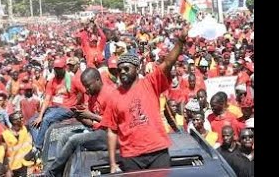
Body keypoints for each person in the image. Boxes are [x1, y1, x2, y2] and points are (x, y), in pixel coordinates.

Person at [102, 27, 188, 173]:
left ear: (136, 68)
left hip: (157, 151)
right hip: (131, 156)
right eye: (120, 69)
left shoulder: (150, 83)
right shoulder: (114, 96)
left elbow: (167, 63)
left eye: (126, 69)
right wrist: (112, 163)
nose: (122, 72)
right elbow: (112, 131)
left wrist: (180, 41)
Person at [44, 68, 113, 177]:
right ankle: (60, 173)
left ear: (98, 80)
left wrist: (91, 115)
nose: (86, 90)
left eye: (88, 86)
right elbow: (91, 123)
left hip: (110, 135)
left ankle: (51, 172)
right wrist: (80, 117)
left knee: (74, 140)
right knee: (64, 137)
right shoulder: (92, 96)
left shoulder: (110, 94)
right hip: (97, 131)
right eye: (85, 86)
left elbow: (113, 122)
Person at [30, 59, 74, 151]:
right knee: (32, 121)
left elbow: (81, 93)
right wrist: (40, 116)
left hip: (66, 108)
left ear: (64, 68)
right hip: (53, 108)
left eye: (60, 68)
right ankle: (41, 142)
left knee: (47, 119)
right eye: (56, 69)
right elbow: (47, 99)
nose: (57, 70)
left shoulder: (71, 79)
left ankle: (37, 147)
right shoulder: (52, 81)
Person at [6, 112, 34, 177]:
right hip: (13, 165)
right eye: (20, 118)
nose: (22, 119)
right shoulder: (6, 135)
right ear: (14, 121)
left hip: (24, 162)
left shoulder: (24, 129)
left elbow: (28, 143)